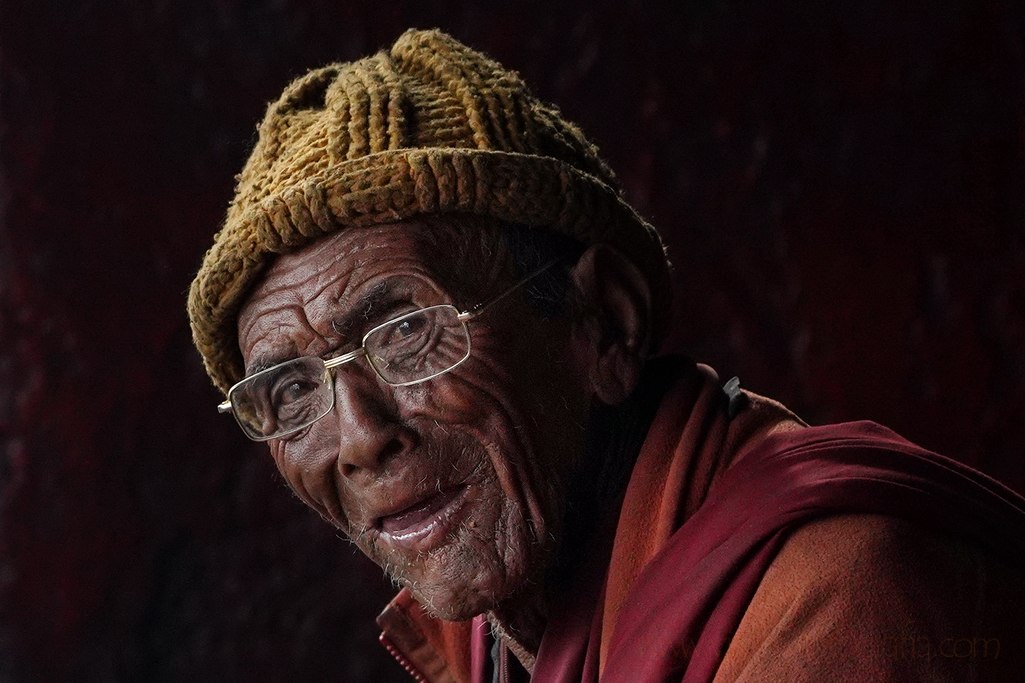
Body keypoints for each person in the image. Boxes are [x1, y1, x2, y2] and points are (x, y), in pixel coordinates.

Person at [188, 29, 1025, 682]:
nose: (360, 436)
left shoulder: (837, 603)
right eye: (289, 388)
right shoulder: (496, 627)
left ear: (605, 322)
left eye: (407, 329)